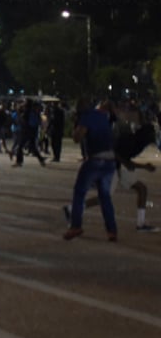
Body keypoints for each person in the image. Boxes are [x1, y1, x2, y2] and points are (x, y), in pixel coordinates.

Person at [63, 99, 118, 241]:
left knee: (80, 192)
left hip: (96, 160)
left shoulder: (87, 117)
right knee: (105, 196)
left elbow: (77, 137)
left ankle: (76, 225)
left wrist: (77, 125)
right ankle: (112, 231)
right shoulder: (102, 116)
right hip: (110, 160)